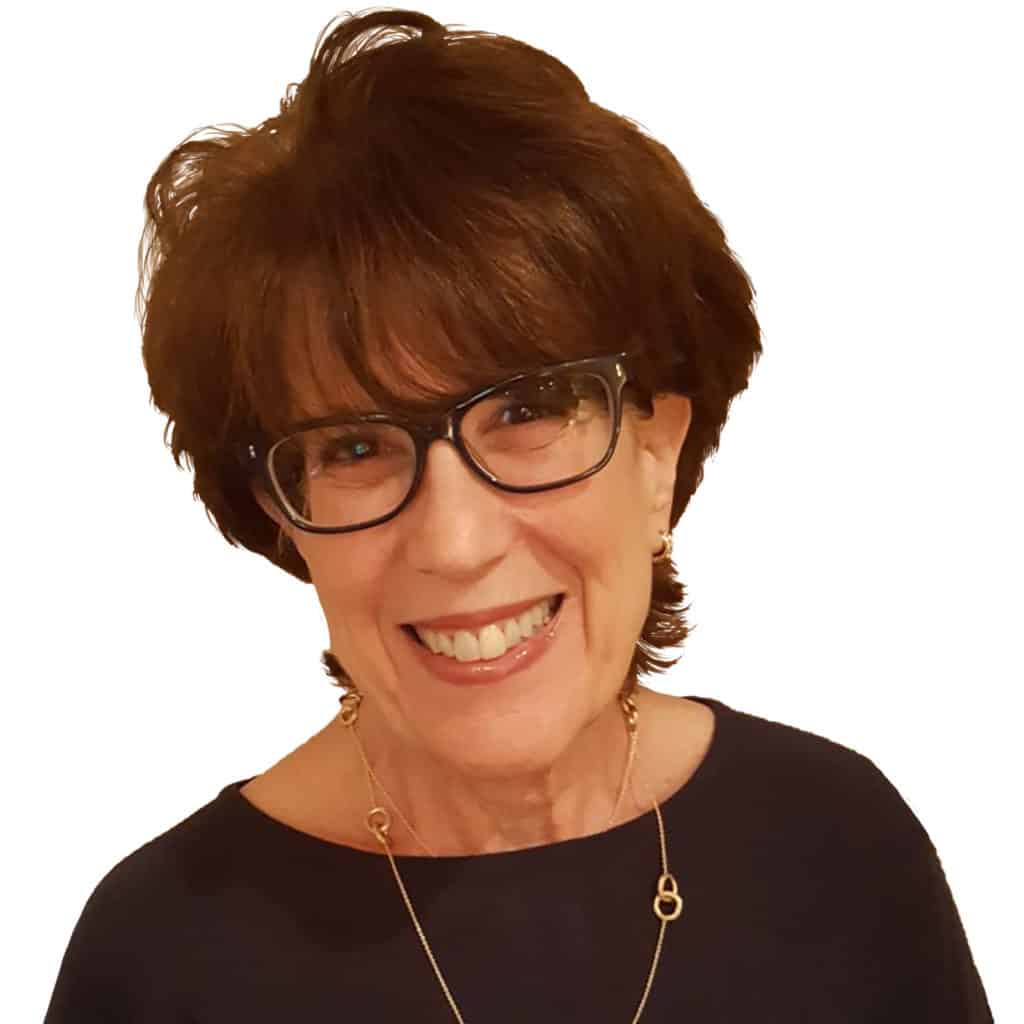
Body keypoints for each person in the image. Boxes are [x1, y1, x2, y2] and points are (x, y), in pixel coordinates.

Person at [44, 8, 992, 1022]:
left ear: (656, 453)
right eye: (355, 447)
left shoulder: (840, 847)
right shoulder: (160, 958)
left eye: (528, 410)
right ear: (284, 514)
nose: (456, 544)